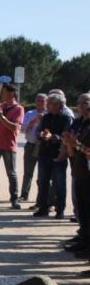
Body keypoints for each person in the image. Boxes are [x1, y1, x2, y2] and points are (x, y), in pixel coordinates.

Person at [0, 84, 24, 209]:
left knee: (11, 173)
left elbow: (14, 127)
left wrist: (1, 117)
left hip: (8, 145)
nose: (3, 95)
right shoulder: (0, 107)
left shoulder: (19, 109)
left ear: (12, 93)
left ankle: (14, 199)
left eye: (5, 92)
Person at [33, 93, 72, 219]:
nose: (48, 106)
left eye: (51, 103)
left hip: (59, 155)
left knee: (59, 183)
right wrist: (42, 135)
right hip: (44, 154)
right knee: (43, 182)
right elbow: (39, 131)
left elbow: (66, 135)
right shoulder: (46, 117)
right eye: (48, 103)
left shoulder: (66, 118)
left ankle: (60, 210)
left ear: (59, 105)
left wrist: (55, 137)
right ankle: (43, 208)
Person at [61, 93, 90, 258]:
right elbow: (73, 151)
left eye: (87, 104)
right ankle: (84, 240)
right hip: (79, 171)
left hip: (87, 175)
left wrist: (75, 144)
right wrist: (69, 143)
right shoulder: (81, 124)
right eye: (81, 104)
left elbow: (87, 151)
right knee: (82, 210)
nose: (84, 107)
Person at [20, 93, 47, 204]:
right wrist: (33, 122)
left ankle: (41, 198)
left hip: (44, 147)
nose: (40, 103)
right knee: (28, 172)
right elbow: (22, 129)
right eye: (38, 100)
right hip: (31, 145)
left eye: (42, 100)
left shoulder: (49, 114)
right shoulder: (30, 113)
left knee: (43, 174)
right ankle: (24, 195)